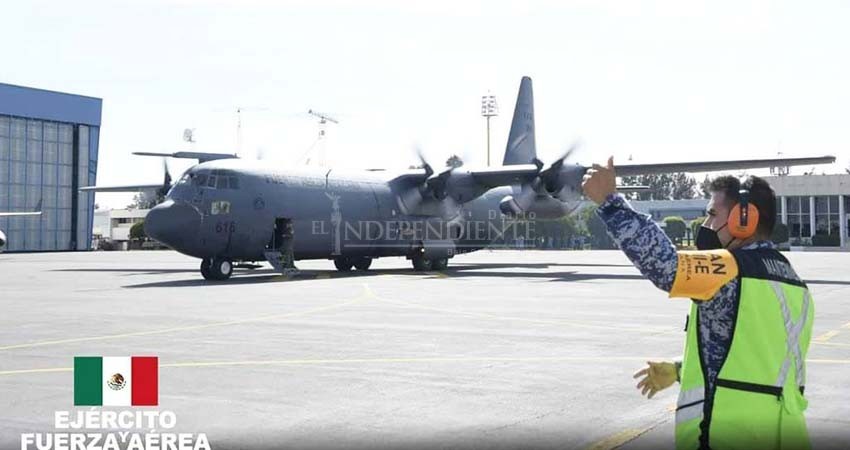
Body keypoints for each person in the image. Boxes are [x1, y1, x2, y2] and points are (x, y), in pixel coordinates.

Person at [582, 157, 814, 450]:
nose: (705, 224)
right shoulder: (795, 286)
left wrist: (610, 202)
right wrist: (681, 369)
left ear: (744, 219)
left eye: (712, 214)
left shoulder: (731, 270)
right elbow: (752, 357)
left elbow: (667, 266)